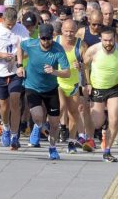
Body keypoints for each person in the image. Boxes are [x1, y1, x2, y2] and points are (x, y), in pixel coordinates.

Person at [19, 23, 72, 160]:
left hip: (50, 88)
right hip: (32, 86)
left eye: (48, 38)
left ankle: (52, 148)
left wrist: (54, 72)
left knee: (54, 122)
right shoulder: (31, 44)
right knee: (37, 115)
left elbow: (67, 73)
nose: (46, 41)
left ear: (52, 37)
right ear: (39, 37)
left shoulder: (58, 50)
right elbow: (20, 46)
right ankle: (38, 126)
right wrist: (19, 65)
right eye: (43, 38)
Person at [83, 27, 118, 162]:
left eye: (110, 40)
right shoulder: (93, 50)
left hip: (114, 88)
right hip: (97, 88)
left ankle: (107, 151)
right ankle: (103, 129)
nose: (108, 43)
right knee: (97, 122)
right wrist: (87, 83)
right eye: (105, 40)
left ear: (115, 39)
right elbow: (84, 66)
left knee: (115, 119)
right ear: (101, 39)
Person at [0, 6, 30, 149]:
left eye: (13, 24)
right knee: (4, 105)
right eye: (8, 24)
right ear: (3, 19)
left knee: (15, 100)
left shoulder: (21, 29)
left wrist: (17, 62)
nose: (11, 27)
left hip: (15, 71)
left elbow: (24, 48)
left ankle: (14, 135)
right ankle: (5, 127)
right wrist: (2, 55)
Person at [55, 19, 93, 153]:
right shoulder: (56, 41)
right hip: (58, 81)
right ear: (61, 31)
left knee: (74, 114)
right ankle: (55, 132)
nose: (69, 34)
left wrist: (81, 67)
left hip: (73, 84)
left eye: (72, 31)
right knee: (60, 107)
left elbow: (87, 65)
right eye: (66, 31)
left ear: (76, 31)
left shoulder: (81, 45)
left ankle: (71, 142)